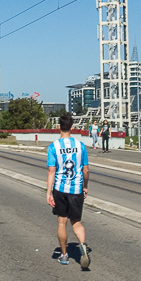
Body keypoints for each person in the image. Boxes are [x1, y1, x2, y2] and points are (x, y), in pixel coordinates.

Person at [46, 113, 90, 269]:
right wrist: (85, 186)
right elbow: (85, 169)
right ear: (72, 127)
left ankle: (64, 255)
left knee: (62, 222)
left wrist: (48, 192)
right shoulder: (81, 146)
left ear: (59, 127)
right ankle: (83, 247)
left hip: (60, 189)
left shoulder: (53, 147)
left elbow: (52, 171)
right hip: (76, 188)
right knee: (76, 222)